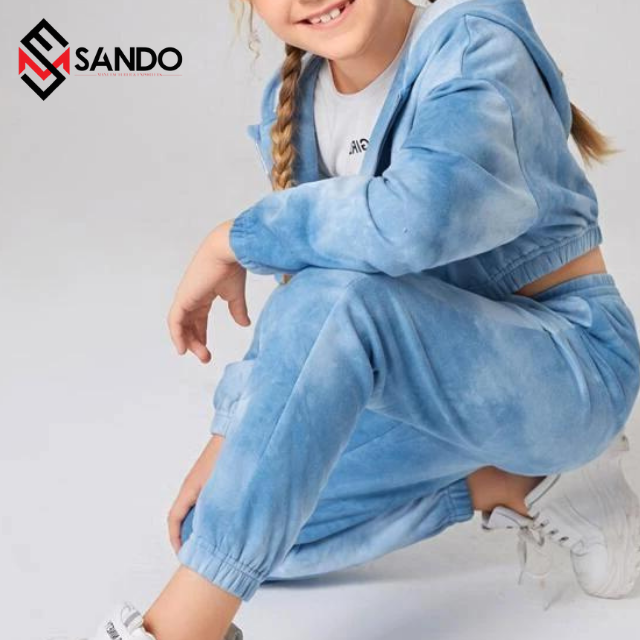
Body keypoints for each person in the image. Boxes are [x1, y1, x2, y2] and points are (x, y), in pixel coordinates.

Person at [51, 1, 640, 639]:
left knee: (335, 309)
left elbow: (420, 219)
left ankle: (181, 632)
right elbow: (307, 304)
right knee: (217, 531)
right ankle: (510, 480)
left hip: (567, 370)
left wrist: (234, 238)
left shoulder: (472, 39)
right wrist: (233, 441)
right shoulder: (294, 102)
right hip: (430, 389)